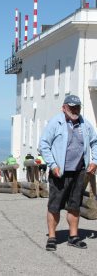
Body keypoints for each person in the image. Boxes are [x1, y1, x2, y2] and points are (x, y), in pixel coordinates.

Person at [39, 95, 97, 251]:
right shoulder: (55, 122)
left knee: (74, 205)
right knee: (54, 206)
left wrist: (94, 161)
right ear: (64, 108)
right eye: (71, 107)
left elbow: (95, 142)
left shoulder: (85, 124)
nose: (75, 110)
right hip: (59, 173)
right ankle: (52, 237)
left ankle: (73, 236)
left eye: (77, 107)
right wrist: (52, 165)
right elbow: (43, 144)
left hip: (79, 172)